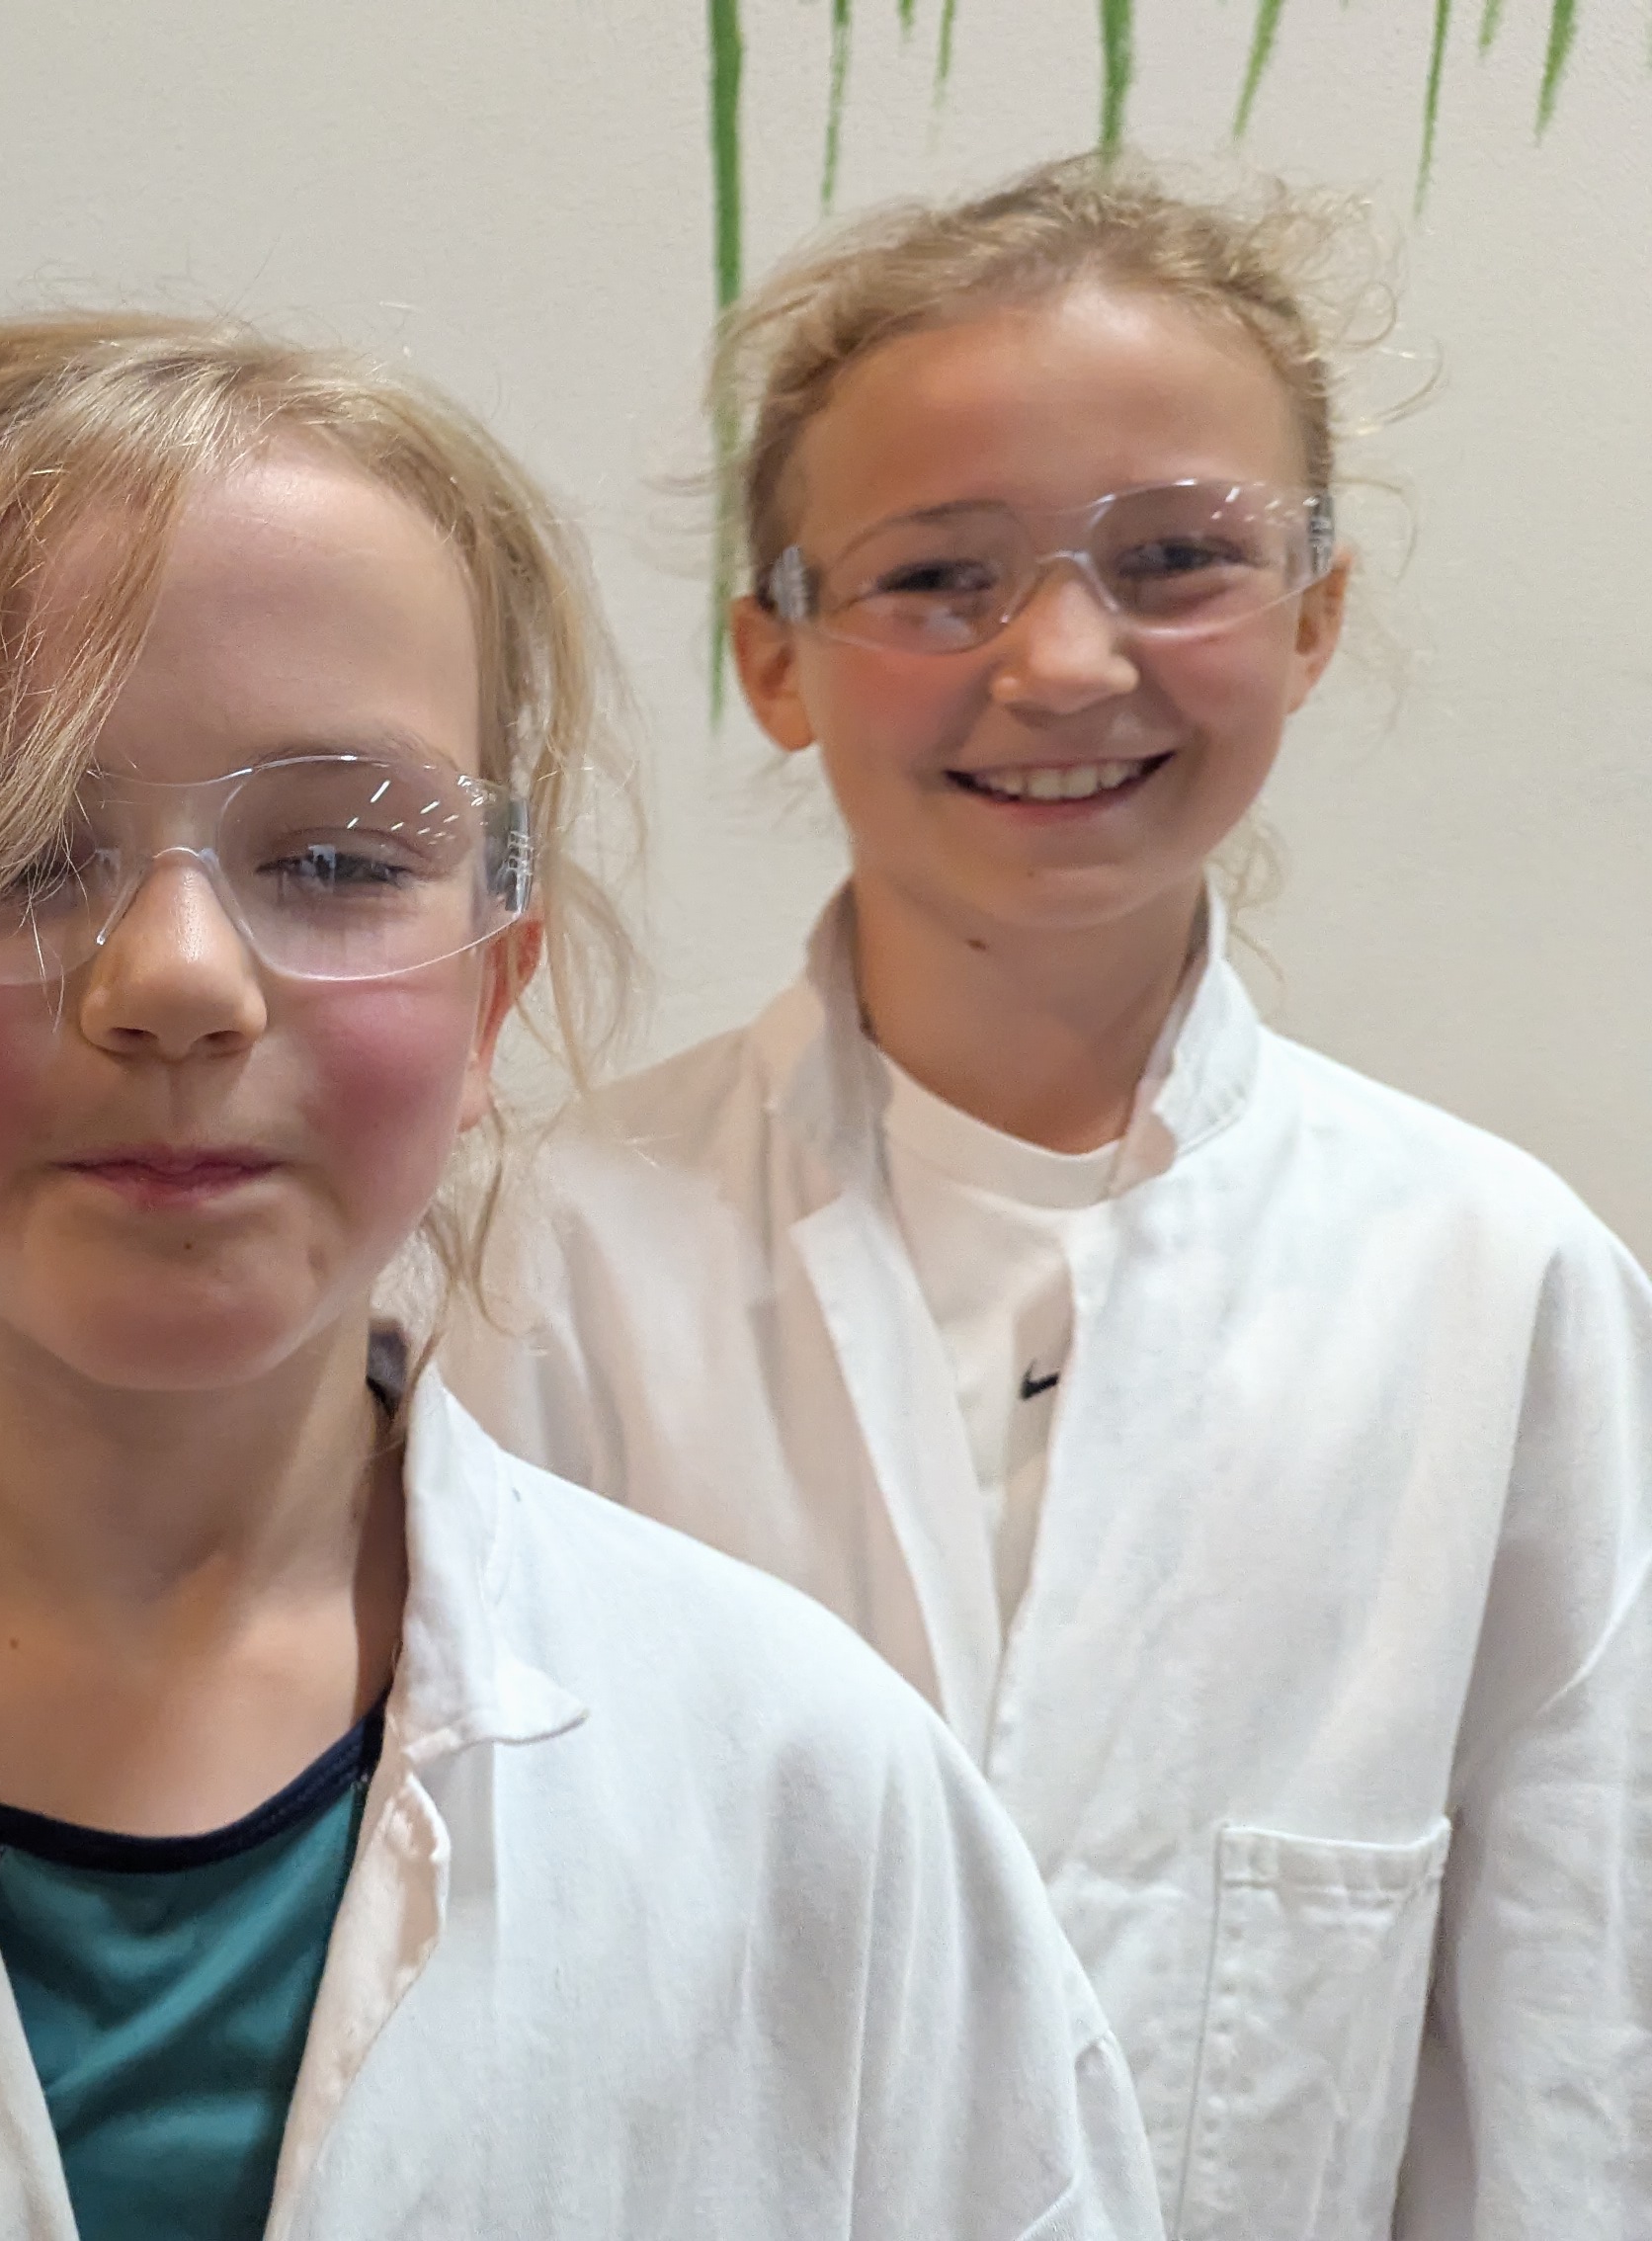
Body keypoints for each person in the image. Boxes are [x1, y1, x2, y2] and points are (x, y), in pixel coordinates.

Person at [0, 311, 1159, 2237]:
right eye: (13, 853)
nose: (174, 979)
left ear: (491, 998)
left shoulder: (818, 1804)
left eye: (335, 860)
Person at [454, 156, 1652, 2240]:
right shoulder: (544, 1258)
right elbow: (473, 1993)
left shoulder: (1500, 1284)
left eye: (1179, 557)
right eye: (940, 578)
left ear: (1317, 613)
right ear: (776, 659)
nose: (1070, 661)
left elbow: (1559, 2059)